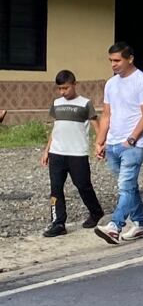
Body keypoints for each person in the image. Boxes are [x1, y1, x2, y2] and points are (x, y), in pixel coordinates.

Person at [95, 42, 143, 244]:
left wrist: (132, 139)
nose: (113, 64)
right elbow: (106, 114)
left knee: (125, 186)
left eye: (117, 60)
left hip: (133, 145)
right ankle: (141, 225)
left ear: (130, 59)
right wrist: (100, 140)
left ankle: (115, 226)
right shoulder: (111, 84)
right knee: (129, 188)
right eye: (111, 61)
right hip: (113, 144)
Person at [40, 70, 104, 237]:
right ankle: (58, 223)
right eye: (60, 88)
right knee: (55, 188)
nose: (63, 92)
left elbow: (97, 127)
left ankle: (96, 213)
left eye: (66, 88)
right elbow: (56, 128)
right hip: (57, 153)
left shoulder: (85, 103)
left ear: (75, 84)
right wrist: (47, 151)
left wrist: (100, 145)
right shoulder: (56, 103)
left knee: (83, 185)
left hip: (77, 153)